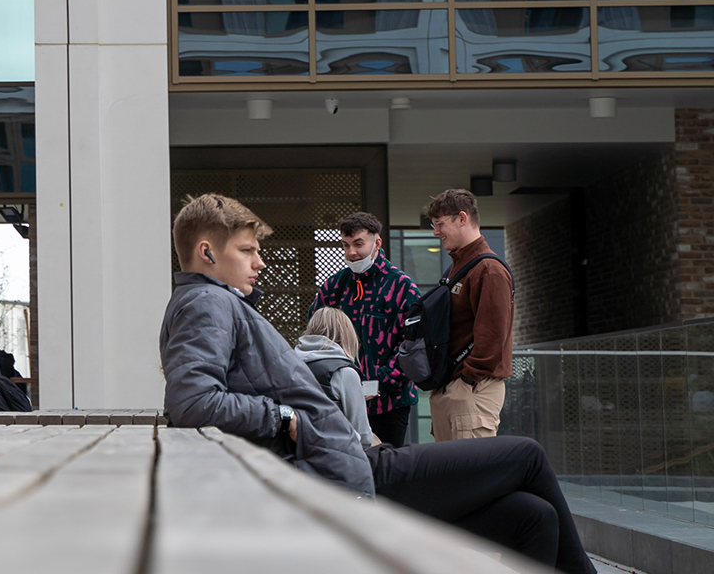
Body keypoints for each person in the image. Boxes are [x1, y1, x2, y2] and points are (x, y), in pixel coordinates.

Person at [160, 193, 593, 573]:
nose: (260, 261)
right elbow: (193, 401)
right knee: (526, 455)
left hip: (345, 461)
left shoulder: (210, 303)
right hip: (347, 476)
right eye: (247, 250)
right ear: (208, 252)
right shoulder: (206, 302)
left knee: (534, 517)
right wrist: (283, 414)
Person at [309, 212, 420, 446]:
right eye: (346, 245)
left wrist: (378, 382)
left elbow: (412, 345)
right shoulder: (333, 287)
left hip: (389, 404)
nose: (351, 252)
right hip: (339, 401)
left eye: (358, 244)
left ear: (377, 242)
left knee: (386, 472)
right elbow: (315, 335)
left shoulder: (402, 287)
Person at [427, 189, 514, 441]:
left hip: (473, 388)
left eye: (439, 224)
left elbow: (493, 337)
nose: (436, 232)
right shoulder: (460, 267)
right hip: (455, 387)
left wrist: (466, 380)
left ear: (462, 218)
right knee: (450, 477)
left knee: (471, 477)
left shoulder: (490, 270)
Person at [297, 308, 373, 451]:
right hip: (336, 454)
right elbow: (363, 438)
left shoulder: (290, 364)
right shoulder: (344, 372)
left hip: (296, 453)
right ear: (347, 335)